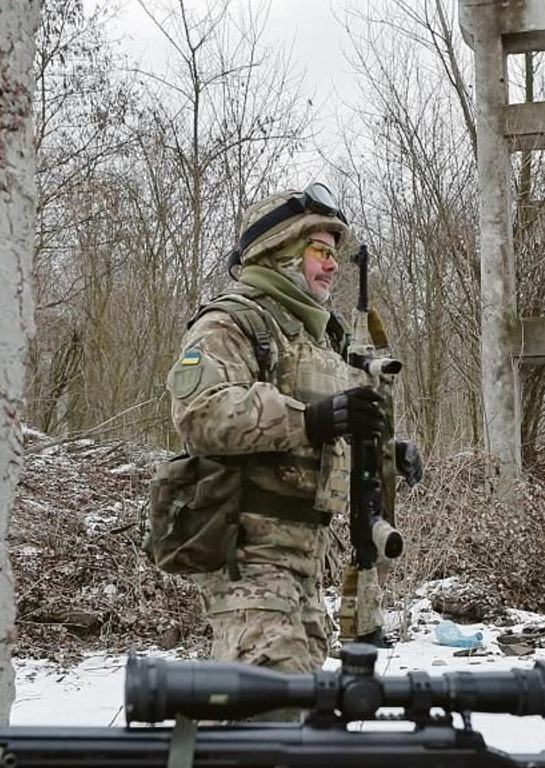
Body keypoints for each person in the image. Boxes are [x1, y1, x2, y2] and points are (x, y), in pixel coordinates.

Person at [165, 183, 389, 681]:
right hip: (251, 559)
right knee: (271, 709)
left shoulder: (315, 336)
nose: (332, 266)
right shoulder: (232, 321)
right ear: (280, 251)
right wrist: (309, 420)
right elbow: (201, 412)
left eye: (334, 254)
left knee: (296, 713)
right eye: (320, 251)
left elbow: (336, 424)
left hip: (305, 562)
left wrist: (384, 449)